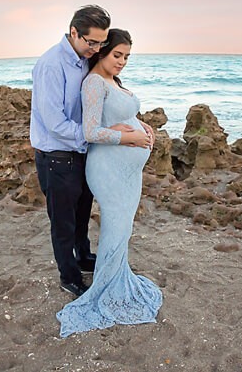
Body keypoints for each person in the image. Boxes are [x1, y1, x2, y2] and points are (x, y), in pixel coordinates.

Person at [30, 5, 153, 298]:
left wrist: (133, 124)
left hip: (84, 155)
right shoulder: (51, 65)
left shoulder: (84, 59)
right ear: (74, 32)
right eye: (92, 42)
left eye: (101, 43)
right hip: (57, 156)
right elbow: (55, 122)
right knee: (63, 221)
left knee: (83, 212)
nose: (97, 49)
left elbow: (103, 104)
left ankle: (84, 257)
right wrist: (100, 137)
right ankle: (69, 276)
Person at [56, 28, 163, 338]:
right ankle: (106, 288)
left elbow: (117, 114)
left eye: (127, 57)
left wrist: (139, 124)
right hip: (107, 170)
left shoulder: (113, 81)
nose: (123, 62)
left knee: (124, 227)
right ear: (102, 52)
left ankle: (116, 276)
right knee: (116, 226)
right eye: (118, 55)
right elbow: (90, 132)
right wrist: (129, 136)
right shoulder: (92, 83)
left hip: (128, 171)